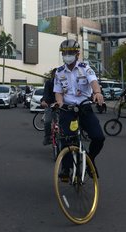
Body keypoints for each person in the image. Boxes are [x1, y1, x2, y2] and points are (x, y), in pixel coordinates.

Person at [53, 39, 105, 177]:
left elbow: (93, 81)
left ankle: (90, 159)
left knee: (98, 137)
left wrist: (97, 92)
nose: (67, 55)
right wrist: (59, 103)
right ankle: (66, 168)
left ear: (77, 54)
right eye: (64, 53)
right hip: (67, 109)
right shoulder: (59, 72)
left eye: (70, 52)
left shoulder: (85, 68)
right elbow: (58, 91)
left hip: (84, 108)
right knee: (66, 139)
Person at [41, 68, 57, 145]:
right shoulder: (49, 83)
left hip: (61, 105)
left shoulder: (64, 82)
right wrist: (44, 101)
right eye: (55, 74)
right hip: (50, 104)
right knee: (47, 121)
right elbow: (45, 93)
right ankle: (47, 137)